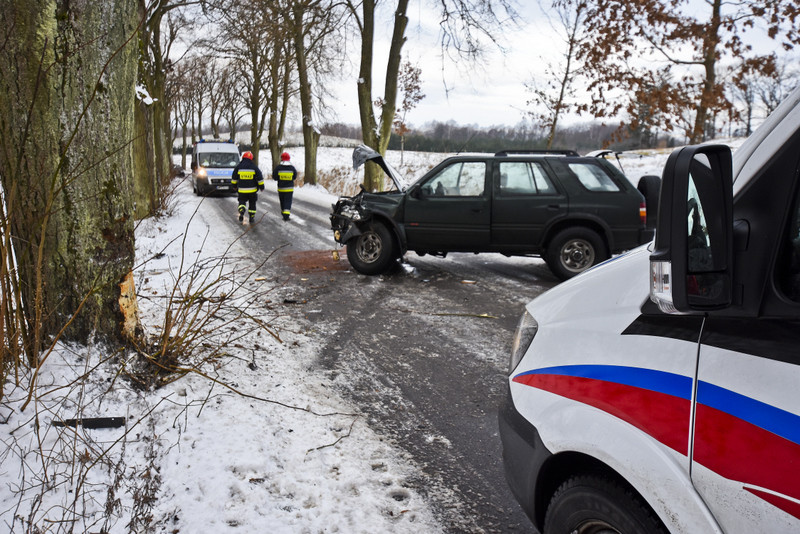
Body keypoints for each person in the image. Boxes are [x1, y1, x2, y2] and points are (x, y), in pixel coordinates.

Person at [231, 151, 264, 224]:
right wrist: (262, 187)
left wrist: (234, 186)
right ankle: (251, 217)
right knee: (252, 203)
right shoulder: (254, 167)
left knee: (242, 202)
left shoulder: (238, 167)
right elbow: (260, 178)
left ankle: (242, 211)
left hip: (242, 190)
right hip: (252, 191)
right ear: (251, 159)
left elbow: (234, 179)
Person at [273, 152, 297, 221]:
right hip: (289, 189)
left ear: (282, 159)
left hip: (281, 188)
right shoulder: (292, 168)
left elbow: (275, 177)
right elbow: (294, 176)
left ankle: (284, 213)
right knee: (288, 201)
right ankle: (286, 214)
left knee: (282, 201)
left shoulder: (278, 168)